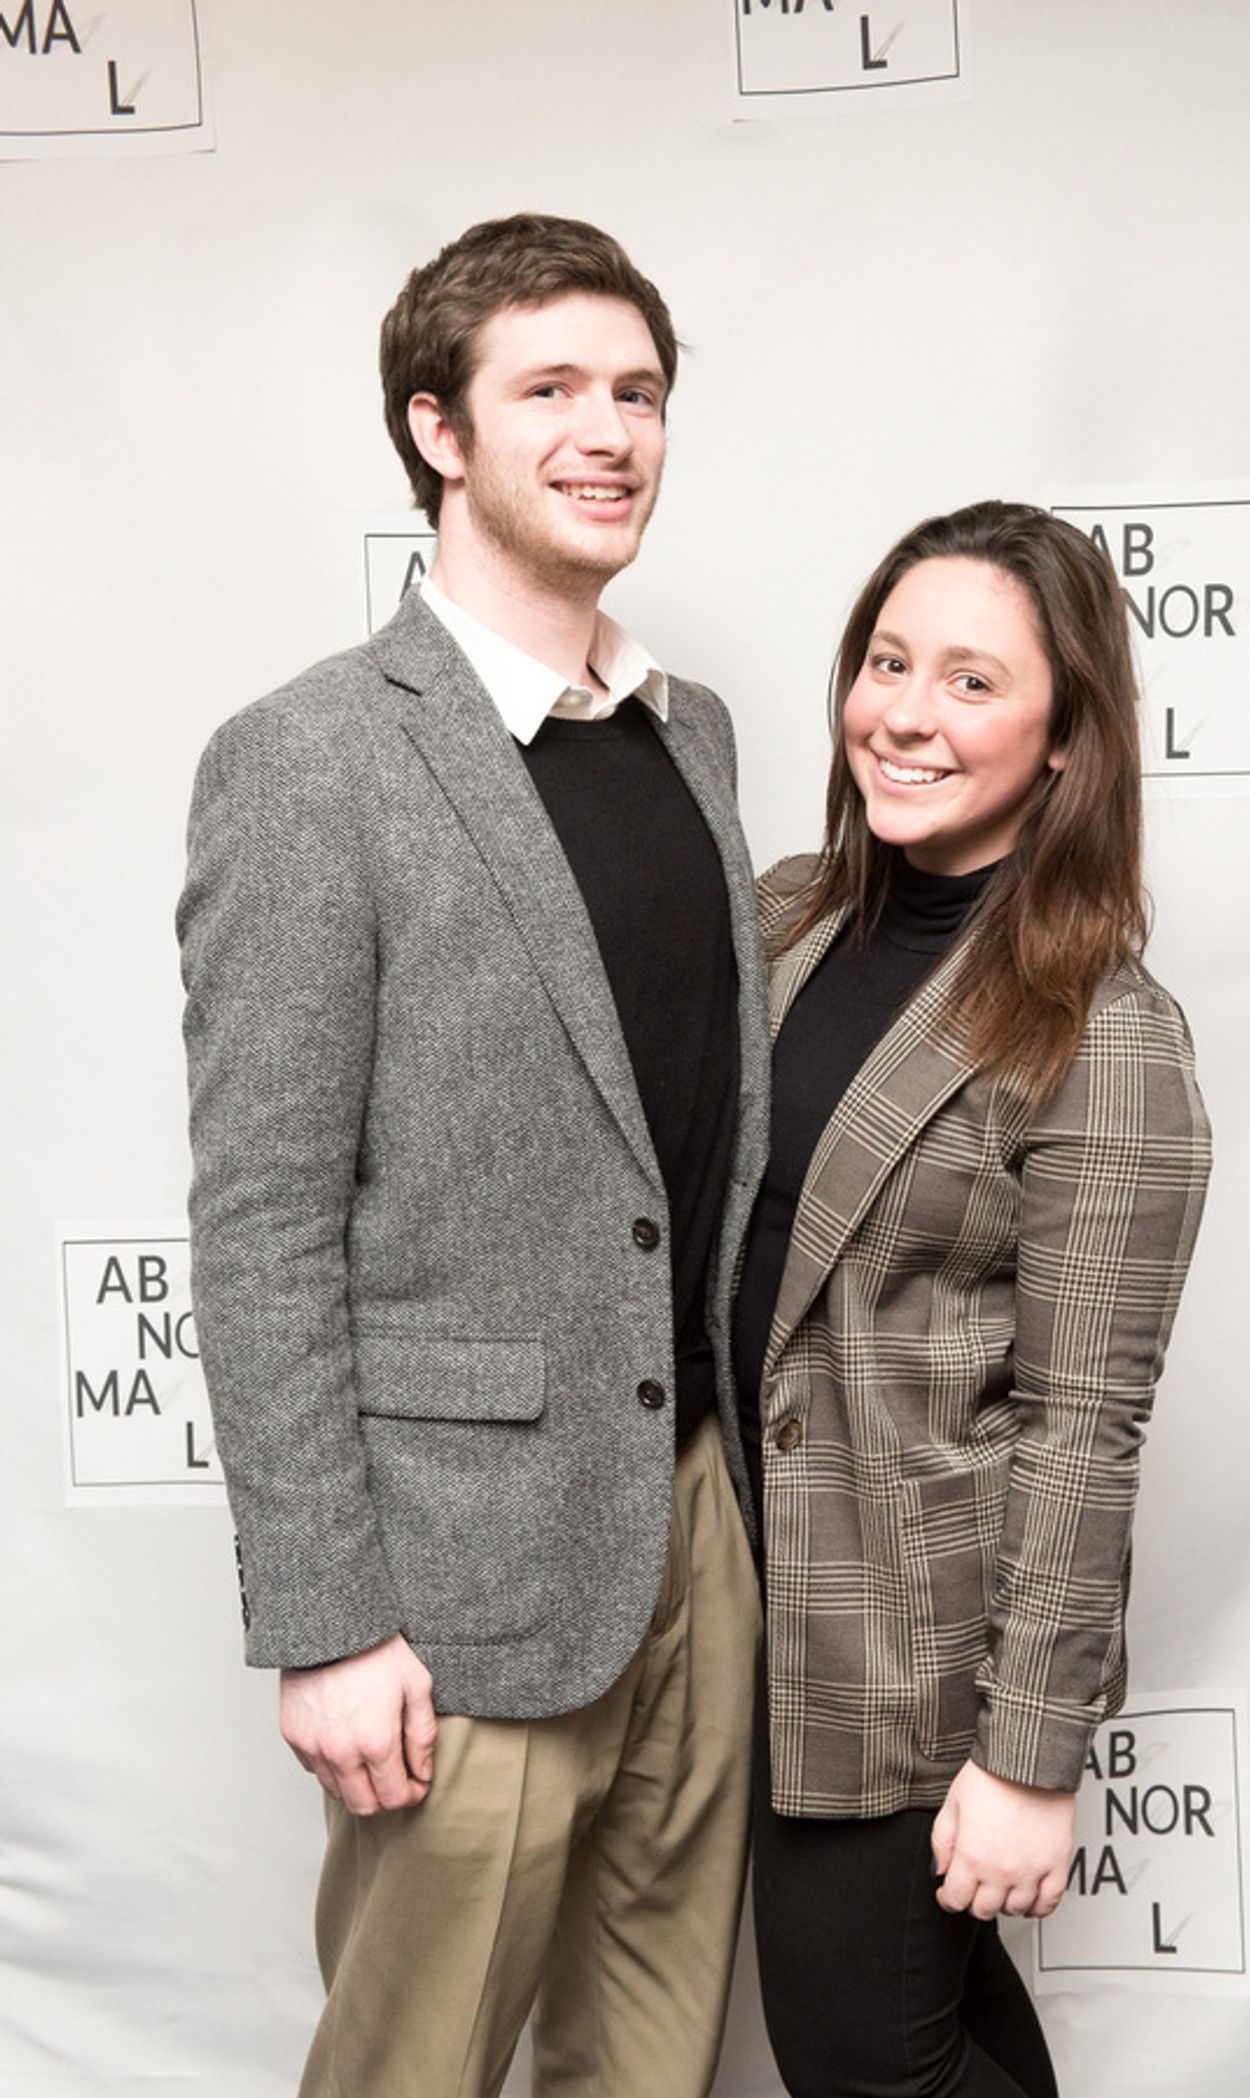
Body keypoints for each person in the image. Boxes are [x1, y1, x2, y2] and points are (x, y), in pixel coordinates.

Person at [178, 213, 768, 2098]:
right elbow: (263, 1214)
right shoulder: (311, 760)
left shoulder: (699, 739)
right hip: (456, 1575)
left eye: (639, 392)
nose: (610, 432)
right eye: (551, 390)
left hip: (693, 1523)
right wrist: (331, 1615)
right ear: (438, 429)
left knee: (654, 2061)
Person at [732, 501, 1212, 2097]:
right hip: (738, 1603)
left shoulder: (1105, 1030)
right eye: (886, 661)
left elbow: (1086, 1431)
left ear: (1069, 739)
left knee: (864, 2053)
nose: (907, 714)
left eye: (972, 681)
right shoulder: (789, 915)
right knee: (936, 2039)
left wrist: (1027, 1756)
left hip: (906, 1652)